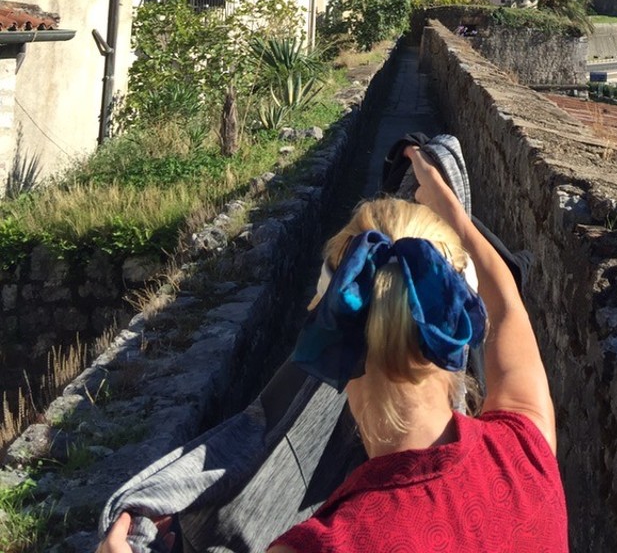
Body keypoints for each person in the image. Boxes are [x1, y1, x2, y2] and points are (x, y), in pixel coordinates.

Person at [98, 147, 567, 553]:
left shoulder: (320, 544)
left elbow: (503, 305)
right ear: (458, 317)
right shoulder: (527, 449)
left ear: (324, 317)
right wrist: (454, 215)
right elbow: (507, 307)